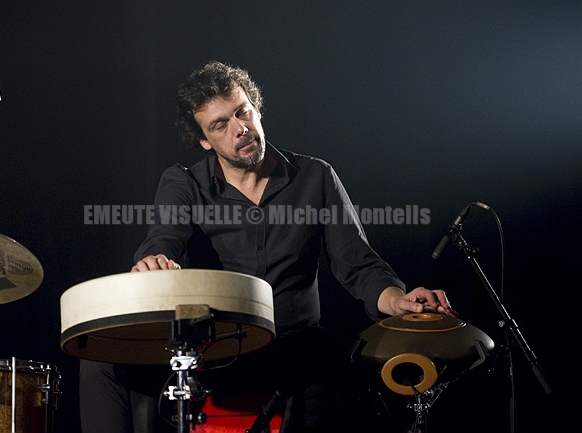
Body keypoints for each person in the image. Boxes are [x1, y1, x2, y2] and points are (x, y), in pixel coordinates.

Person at [79, 60, 458, 433]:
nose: (240, 129)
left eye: (242, 112)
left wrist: (399, 300)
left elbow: (359, 266)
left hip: (290, 348)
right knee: (99, 359)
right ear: (204, 141)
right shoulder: (184, 183)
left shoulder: (315, 176)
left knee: (326, 352)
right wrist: (153, 261)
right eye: (220, 125)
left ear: (257, 108)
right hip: (211, 349)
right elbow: (163, 240)